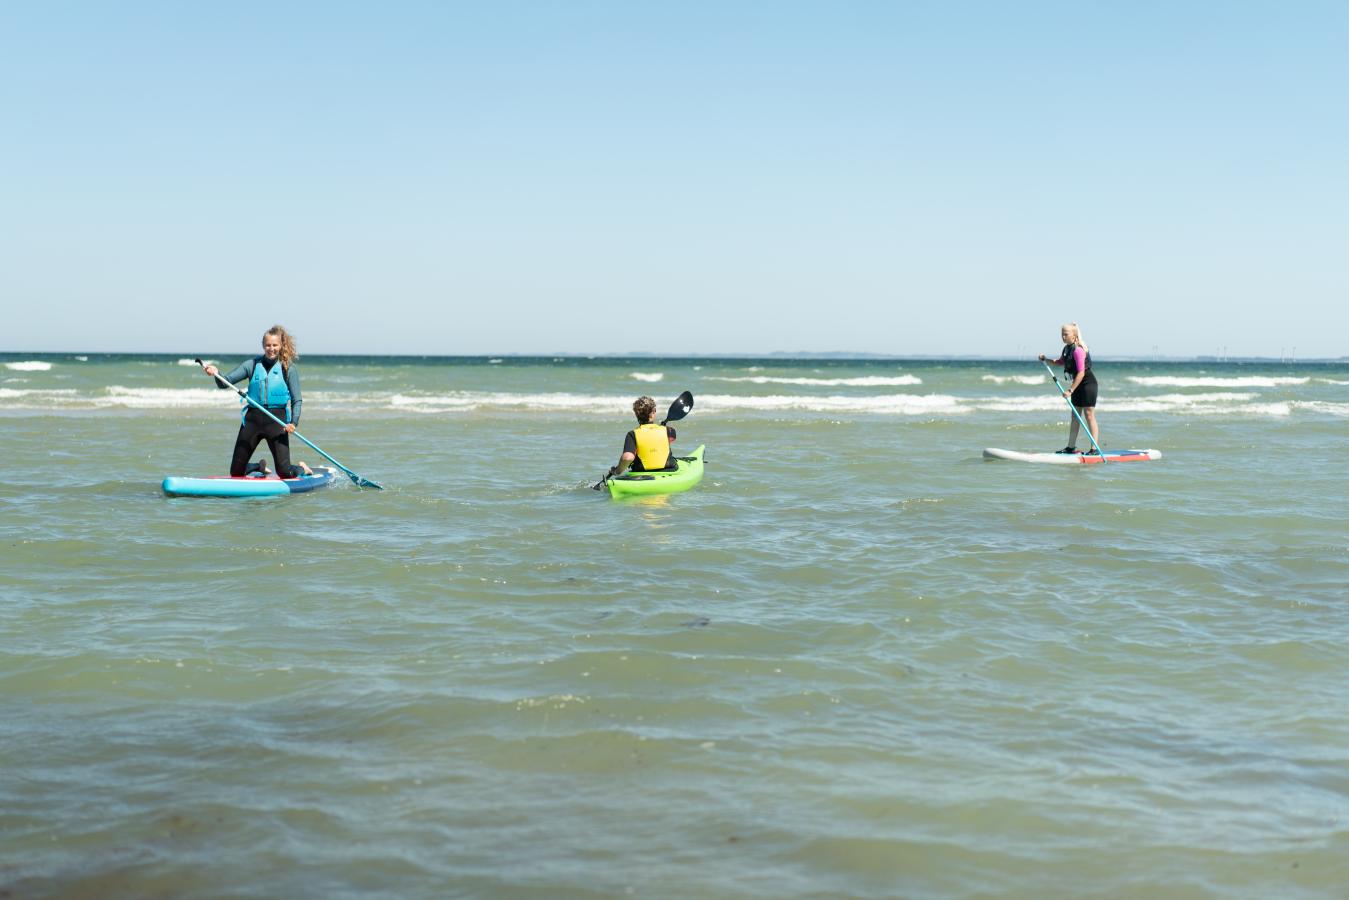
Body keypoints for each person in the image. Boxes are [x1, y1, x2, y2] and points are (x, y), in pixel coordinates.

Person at [203, 325, 312, 478]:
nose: (271, 348)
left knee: (285, 472)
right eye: (268, 345)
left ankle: (302, 468)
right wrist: (216, 373)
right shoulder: (252, 365)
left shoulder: (288, 368)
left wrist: (293, 422)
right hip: (252, 420)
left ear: (280, 346)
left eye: (275, 345)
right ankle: (258, 467)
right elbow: (224, 383)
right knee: (235, 472)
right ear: (263, 345)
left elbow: (297, 400)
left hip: (277, 421)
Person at [1039, 322, 1100, 454]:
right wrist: (1046, 359)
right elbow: (1060, 362)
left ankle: (1094, 449)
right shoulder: (1067, 349)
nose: (1063, 336)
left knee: (1089, 415)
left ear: (1074, 335)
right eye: (1062, 334)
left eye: (1066, 334)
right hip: (1077, 385)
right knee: (1075, 416)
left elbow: (1081, 373)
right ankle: (1071, 447)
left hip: (1087, 384)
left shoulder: (1078, 350)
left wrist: (1070, 390)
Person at [607, 395, 678, 479]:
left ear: (636, 414)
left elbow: (627, 458)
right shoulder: (669, 431)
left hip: (641, 474)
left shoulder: (632, 434)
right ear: (653, 412)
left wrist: (617, 471)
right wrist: (660, 428)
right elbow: (671, 438)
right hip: (668, 471)